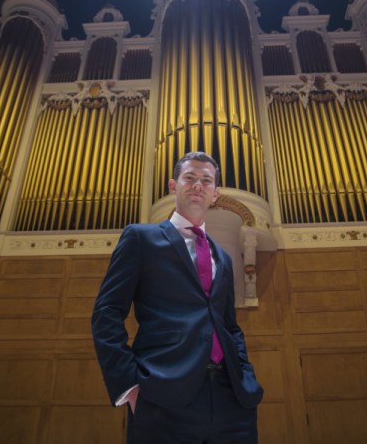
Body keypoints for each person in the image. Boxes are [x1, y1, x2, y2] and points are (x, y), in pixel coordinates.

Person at [91, 151, 263, 444]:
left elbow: (229, 325)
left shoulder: (221, 256)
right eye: (190, 178)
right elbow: (106, 312)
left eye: (206, 181)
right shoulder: (140, 238)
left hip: (231, 396)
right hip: (163, 395)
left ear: (215, 194)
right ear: (173, 186)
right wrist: (129, 385)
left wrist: (245, 370)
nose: (198, 185)